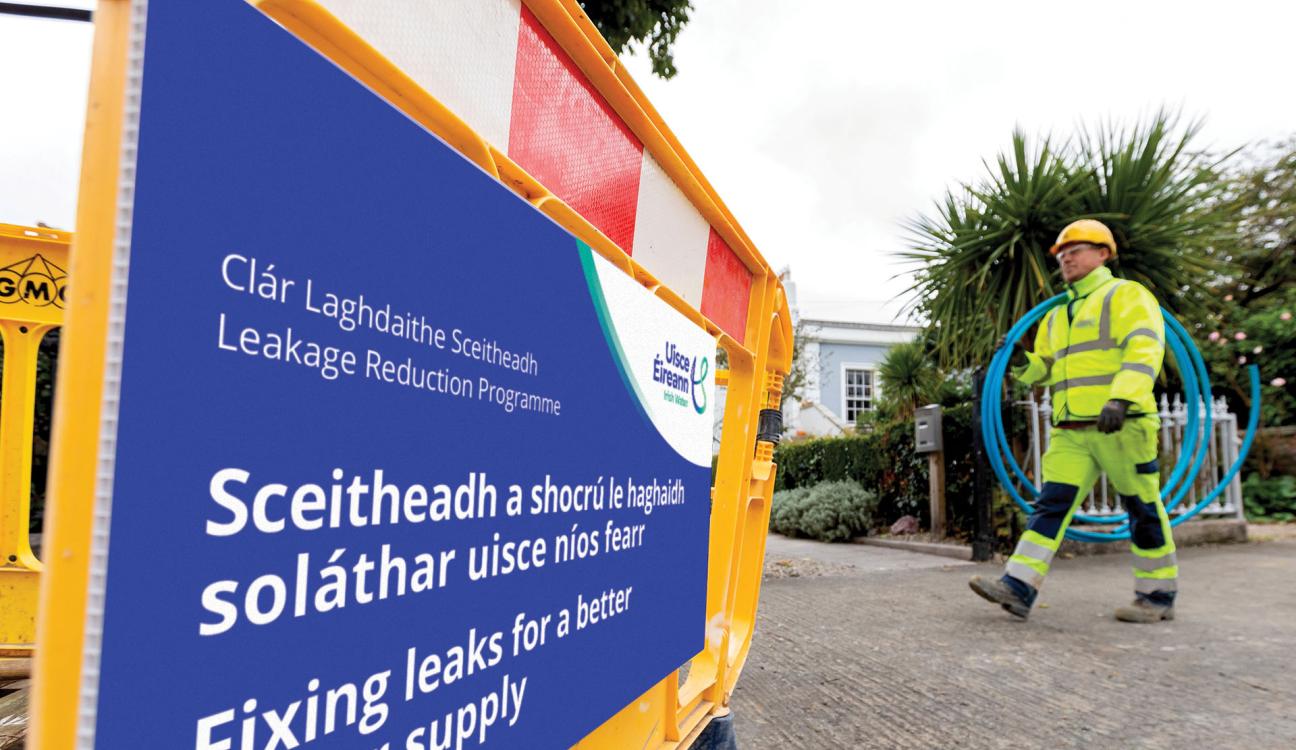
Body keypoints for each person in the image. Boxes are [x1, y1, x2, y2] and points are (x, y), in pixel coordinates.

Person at [969, 219, 1177, 623]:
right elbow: (1044, 370)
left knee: (1142, 506)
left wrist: (1122, 398)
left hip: (1122, 423)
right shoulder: (1056, 316)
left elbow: (1144, 348)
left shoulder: (1126, 295)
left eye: (1077, 249)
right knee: (1050, 506)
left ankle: (1158, 595)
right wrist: (1019, 362)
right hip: (1071, 431)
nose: (1066, 256)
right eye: (1062, 253)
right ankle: (1018, 586)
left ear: (1103, 254)